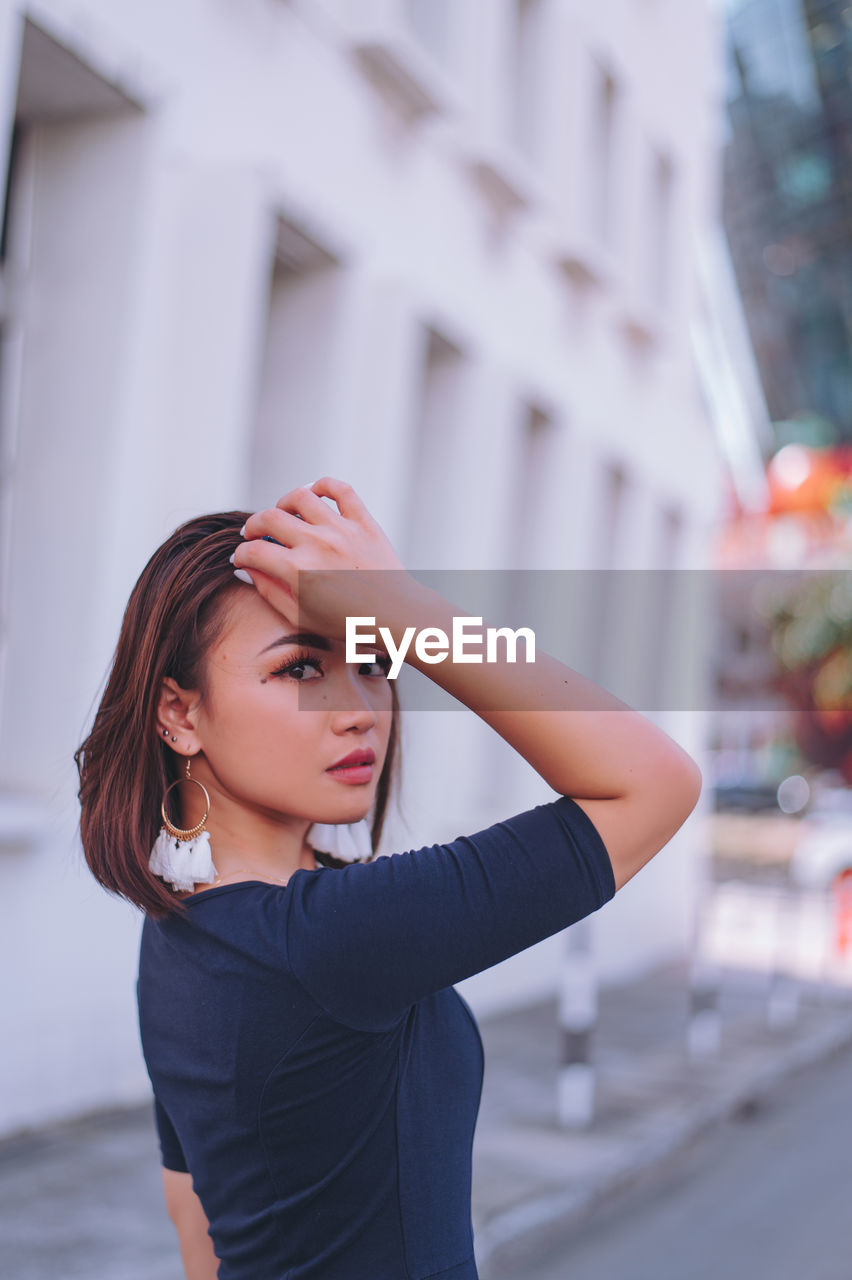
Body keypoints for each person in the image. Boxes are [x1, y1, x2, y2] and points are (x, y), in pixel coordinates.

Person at [74, 476, 702, 1280]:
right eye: (300, 670)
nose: (359, 708)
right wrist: (404, 608)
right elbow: (653, 783)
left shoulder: (179, 932)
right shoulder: (330, 938)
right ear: (180, 714)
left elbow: (196, 1227)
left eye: (375, 660)